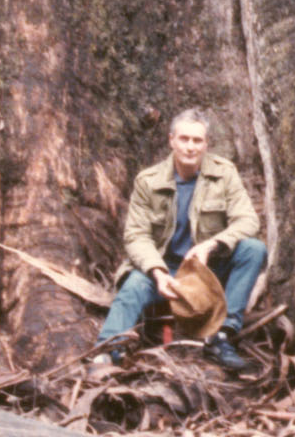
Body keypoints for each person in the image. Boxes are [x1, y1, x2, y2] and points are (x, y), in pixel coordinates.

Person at [92, 109, 266, 375]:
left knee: (254, 249)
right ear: (171, 140)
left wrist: (212, 245)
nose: (190, 147)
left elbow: (248, 221)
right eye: (184, 139)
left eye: (197, 141)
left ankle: (221, 336)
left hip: (206, 271)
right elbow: (136, 235)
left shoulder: (224, 173)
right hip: (165, 269)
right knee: (134, 286)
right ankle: (106, 354)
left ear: (206, 144)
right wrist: (157, 272)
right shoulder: (148, 181)